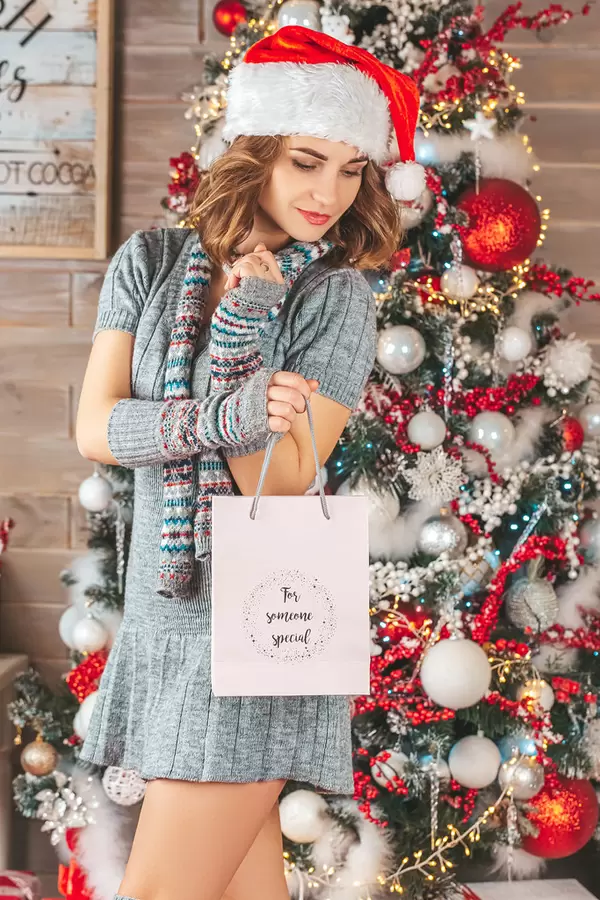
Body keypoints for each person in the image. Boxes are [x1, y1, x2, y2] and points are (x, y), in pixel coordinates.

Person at [75, 24, 421, 900]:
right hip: (163, 621)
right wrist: (225, 411)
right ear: (256, 147)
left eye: (352, 170)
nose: (330, 193)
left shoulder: (335, 296)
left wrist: (240, 334)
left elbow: (280, 479)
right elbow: (96, 427)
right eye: (308, 160)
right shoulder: (148, 263)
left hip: (260, 629)